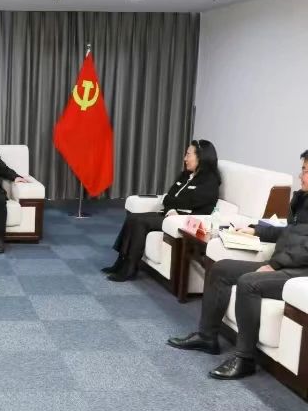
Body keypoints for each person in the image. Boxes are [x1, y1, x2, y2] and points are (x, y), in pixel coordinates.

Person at [167, 150, 308, 380]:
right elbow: (288, 233)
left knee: (248, 283)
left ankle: (245, 359)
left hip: (299, 273)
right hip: (284, 264)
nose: (300, 175)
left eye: (305, 170)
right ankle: (207, 337)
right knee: (220, 269)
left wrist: (275, 264)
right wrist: (255, 230)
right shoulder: (302, 200)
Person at [103, 139, 221, 282]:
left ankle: (130, 268)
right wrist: (171, 209)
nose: (185, 158)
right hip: (170, 215)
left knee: (140, 222)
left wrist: (171, 203)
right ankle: (120, 262)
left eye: (188, 154)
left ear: (201, 157)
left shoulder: (210, 181)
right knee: (133, 218)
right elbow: (169, 197)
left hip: (186, 221)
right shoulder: (185, 175)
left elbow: (190, 202)